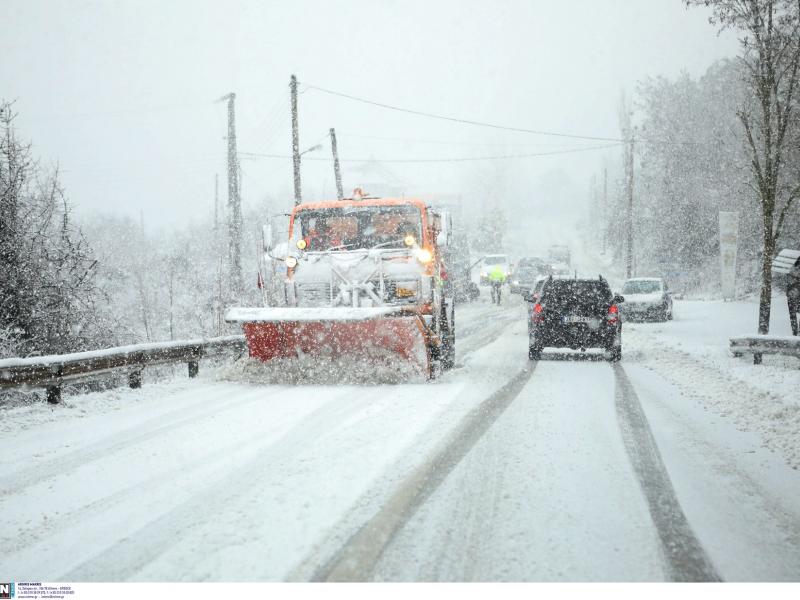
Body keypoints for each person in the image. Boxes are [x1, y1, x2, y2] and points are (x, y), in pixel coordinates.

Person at [788, 256, 800, 336]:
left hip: (794, 292)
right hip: (795, 292)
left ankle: (796, 333)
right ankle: (796, 333)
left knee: (793, 313)